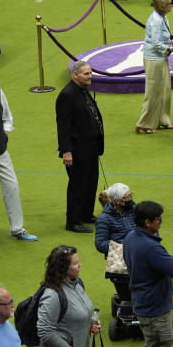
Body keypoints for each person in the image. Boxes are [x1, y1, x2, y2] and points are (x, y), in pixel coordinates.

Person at [123, 201, 173, 347]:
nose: (161, 221)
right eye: (158, 219)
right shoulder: (151, 248)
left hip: (143, 302)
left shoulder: (130, 236)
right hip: (154, 309)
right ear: (147, 222)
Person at [37, 245, 100, 347]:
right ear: (64, 268)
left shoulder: (77, 283)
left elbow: (77, 314)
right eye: (75, 263)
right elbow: (44, 330)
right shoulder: (52, 296)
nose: (80, 265)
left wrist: (89, 326)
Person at [0, 66, 35, 241]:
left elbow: (7, 118)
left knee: (12, 186)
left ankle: (17, 229)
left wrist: (5, 131)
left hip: (0, 150)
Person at [56, 61, 103, 233]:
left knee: (91, 181)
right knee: (78, 184)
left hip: (90, 146)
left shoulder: (83, 90)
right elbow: (63, 126)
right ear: (75, 75)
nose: (90, 76)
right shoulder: (67, 95)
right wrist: (66, 151)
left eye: (90, 73)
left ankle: (86, 214)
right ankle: (73, 221)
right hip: (77, 149)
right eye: (86, 73)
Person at [135, 0, 173, 134]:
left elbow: (161, 39)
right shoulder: (155, 21)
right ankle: (144, 123)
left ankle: (163, 120)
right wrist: (171, 48)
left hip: (161, 57)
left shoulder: (163, 17)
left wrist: (170, 45)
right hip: (154, 59)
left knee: (165, 90)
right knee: (153, 92)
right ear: (163, 6)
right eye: (170, 3)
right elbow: (155, 42)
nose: (172, 5)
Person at [94, 182, 135, 255]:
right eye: (127, 197)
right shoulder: (103, 219)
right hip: (119, 259)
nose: (130, 199)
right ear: (117, 201)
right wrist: (124, 244)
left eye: (130, 195)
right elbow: (100, 244)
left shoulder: (136, 210)